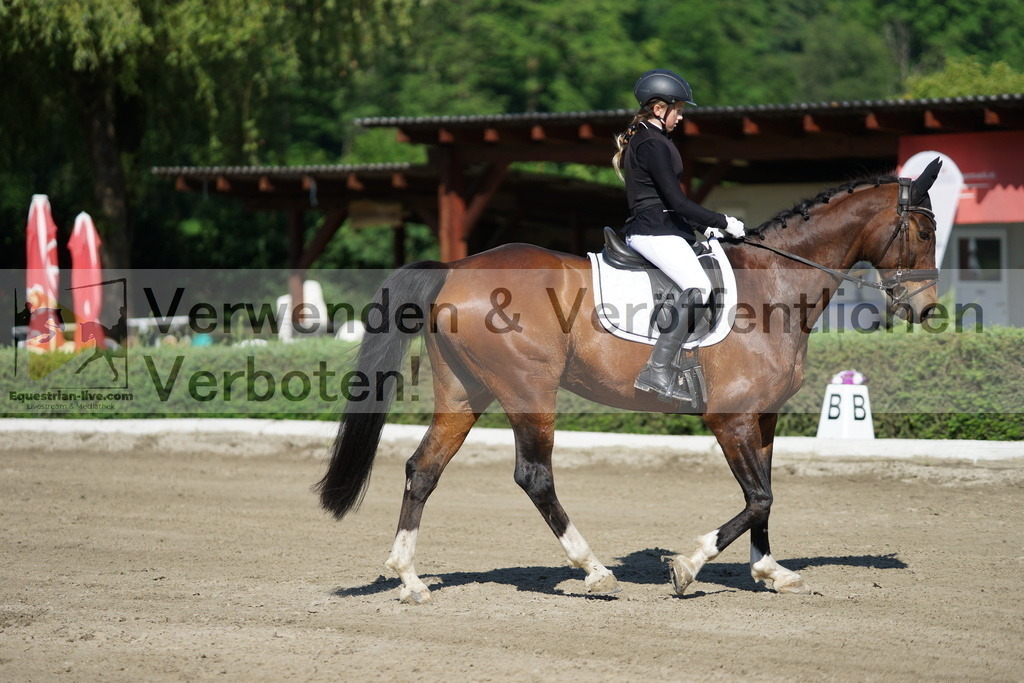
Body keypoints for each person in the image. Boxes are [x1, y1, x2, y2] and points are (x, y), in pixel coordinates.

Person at [612, 69, 746, 402]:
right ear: (659, 109)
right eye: (679, 109)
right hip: (652, 231)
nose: (681, 116)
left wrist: (703, 228)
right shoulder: (652, 143)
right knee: (698, 287)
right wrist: (723, 221)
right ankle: (657, 370)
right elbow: (676, 201)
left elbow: (669, 203)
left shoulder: (652, 139)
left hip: (662, 228)